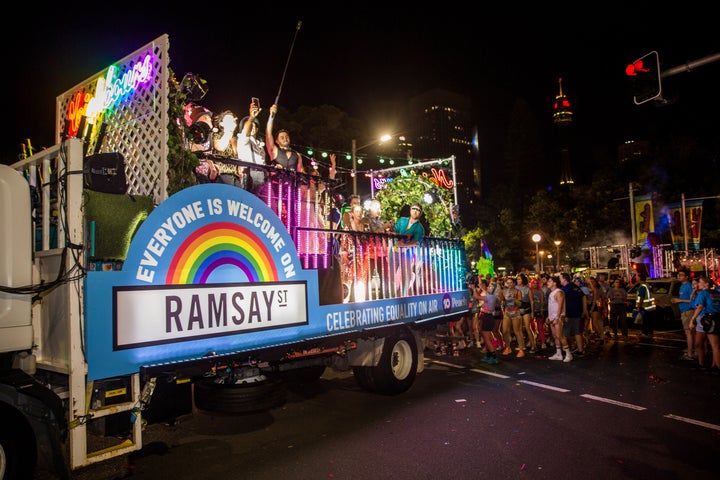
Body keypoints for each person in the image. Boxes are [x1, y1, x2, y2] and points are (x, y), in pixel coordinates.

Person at [392, 202, 425, 296]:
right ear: (410, 210)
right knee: (390, 274)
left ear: (420, 213)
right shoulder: (402, 220)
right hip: (395, 250)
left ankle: (402, 295)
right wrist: (401, 238)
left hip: (408, 253)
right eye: (413, 209)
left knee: (405, 275)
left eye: (417, 210)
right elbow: (394, 231)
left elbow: (416, 242)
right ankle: (389, 295)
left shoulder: (419, 227)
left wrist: (404, 245)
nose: (415, 211)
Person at [689, 276, 720, 374]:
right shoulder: (716, 293)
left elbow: (700, 307)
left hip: (709, 318)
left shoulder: (703, 293)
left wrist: (692, 319)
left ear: (706, 284)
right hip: (716, 318)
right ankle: (713, 365)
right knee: (710, 344)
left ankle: (717, 367)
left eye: (700, 282)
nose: (698, 284)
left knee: (715, 346)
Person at [236, 99, 267, 194]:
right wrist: (251, 117)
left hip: (262, 176)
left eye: (254, 126)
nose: (252, 127)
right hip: (250, 175)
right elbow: (246, 132)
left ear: (257, 129)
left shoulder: (260, 144)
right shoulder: (242, 139)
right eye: (249, 125)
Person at [265, 103, 304, 173]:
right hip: (276, 183)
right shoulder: (274, 150)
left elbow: (301, 171)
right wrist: (271, 116)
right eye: (282, 137)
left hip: (292, 183)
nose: (285, 138)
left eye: (287, 136)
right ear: (277, 141)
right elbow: (268, 134)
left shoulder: (297, 155)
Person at [560, 272, 587, 357]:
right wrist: (584, 309)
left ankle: (568, 351)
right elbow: (583, 296)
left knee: (564, 334)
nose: (559, 280)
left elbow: (562, 302)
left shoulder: (564, 289)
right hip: (578, 313)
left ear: (564, 279)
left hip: (568, 314)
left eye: (560, 278)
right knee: (577, 332)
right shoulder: (575, 287)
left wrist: (561, 314)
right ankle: (580, 350)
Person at [672, 269, 697, 361]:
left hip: (688, 311)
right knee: (690, 333)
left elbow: (693, 299)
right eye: (678, 275)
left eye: (681, 275)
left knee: (689, 333)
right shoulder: (682, 286)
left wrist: (680, 300)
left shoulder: (688, 286)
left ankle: (690, 354)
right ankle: (692, 350)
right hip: (684, 311)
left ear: (687, 277)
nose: (679, 276)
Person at [547, 276, 572, 362]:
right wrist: (549, 316)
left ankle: (568, 354)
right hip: (552, 317)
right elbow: (552, 306)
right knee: (555, 336)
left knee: (559, 335)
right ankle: (559, 354)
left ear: (554, 283)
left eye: (550, 281)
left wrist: (557, 317)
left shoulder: (559, 292)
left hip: (558, 317)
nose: (548, 282)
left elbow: (560, 306)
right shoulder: (552, 293)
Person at [475, 279, 499, 363]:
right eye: (489, 286)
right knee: (486, 338)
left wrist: (473, 289)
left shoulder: (490, 297)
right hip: (486, 317)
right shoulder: (490, 296)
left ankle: (494, 357)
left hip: (487, 318)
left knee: (487, 339)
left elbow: (477, 297)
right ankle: (489, 355)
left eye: (490, 287)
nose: (488, 287)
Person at [500, 277, 525, 357]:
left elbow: (520, 304)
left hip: (516, 313)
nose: (509, 284)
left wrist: (514, 298)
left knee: (517, 331)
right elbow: (503, 301)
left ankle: (521, 349)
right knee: (505, 331)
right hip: (507, 313)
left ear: (514, 283)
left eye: (511, 282)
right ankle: (508, 347)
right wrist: (502, 302)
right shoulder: (504, 291)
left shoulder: (518, 292)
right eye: (508, 283)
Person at [634, 271, 657, 339]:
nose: (636, 278)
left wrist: (638, 307)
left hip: (645, 307)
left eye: (637, 277)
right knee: (649, 321)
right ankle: (650, 333)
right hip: (650, 307)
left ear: (640, 278)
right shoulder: (647, 285)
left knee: (644, 321)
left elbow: (641, 297)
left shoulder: (642, 287)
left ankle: (644, 333)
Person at [529, 277, 546, 351]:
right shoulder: (529, 292)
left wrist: (541, 311)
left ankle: (543, 342)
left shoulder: (541, 292)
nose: (534, 285)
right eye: (533, 283)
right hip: (531, 311)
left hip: (538, 311)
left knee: (540, 327)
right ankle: (532, 341)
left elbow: (542, 302)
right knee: (531, 327)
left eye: (536, 283)